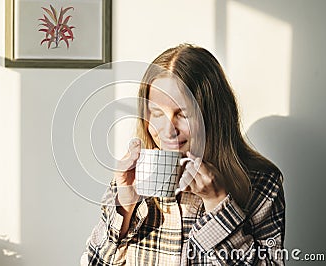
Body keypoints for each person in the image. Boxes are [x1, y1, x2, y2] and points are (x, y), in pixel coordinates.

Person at [81, 44, 285, 265]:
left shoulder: (262, 182)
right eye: (157, 113)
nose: (168, 130)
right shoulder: (133, 177)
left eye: (183, 114)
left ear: (213, 115)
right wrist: (125, 205)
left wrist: (217, 205)